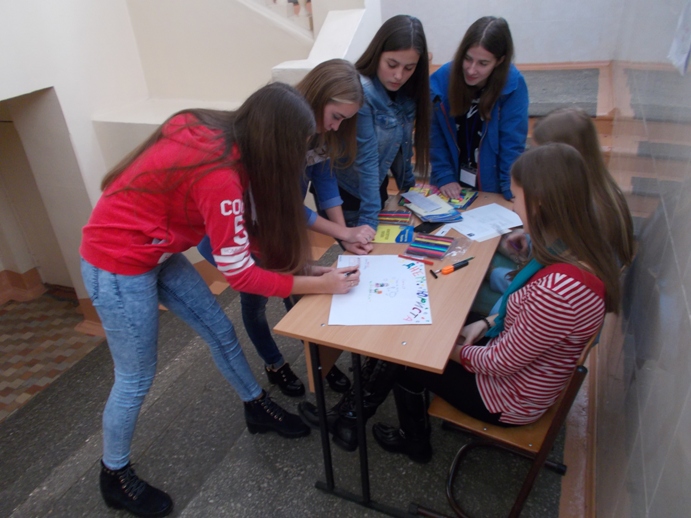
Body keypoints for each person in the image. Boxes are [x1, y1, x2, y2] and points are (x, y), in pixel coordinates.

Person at [80, 82, 362, 517]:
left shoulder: (215, 129)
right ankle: (113, 473)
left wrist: (308, 270)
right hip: (116, 261)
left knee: (220, 331)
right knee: (136, 377)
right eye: (296, 148)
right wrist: (320, 285)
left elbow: (244, 235)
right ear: (275, 141)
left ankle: (255, 406)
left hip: (158, 249)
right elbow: (242, 274)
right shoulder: (220, 176)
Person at [371, 143, 620, 463]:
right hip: (517, 366)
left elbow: (498, 363)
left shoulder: (558, 292)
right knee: (430, 325)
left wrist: (442, 350)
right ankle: (361, 407)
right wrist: (485, 322)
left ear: (539, 204)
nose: (514, 207)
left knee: (405, 354)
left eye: (516, 198)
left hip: (508, 399)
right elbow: (525, 326)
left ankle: (413, 441)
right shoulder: (574, 248)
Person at [197, 59, 374, 398]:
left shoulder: (320, 134)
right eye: (336, 116)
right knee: (257, 298)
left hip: (277, 227)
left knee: (299, 288)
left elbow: (325, 183)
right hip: (243, 234)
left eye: (344, 120)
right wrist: (343, 234)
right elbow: (281, 204)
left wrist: (345, 236)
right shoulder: (279, 128)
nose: (336, 127)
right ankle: (274, 362)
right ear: (319, 98)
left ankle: (319, 361)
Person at [490, 107, 635, 304]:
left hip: (552, 296)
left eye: (540, 154)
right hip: (555, 288)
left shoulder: (586, 213)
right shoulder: (600, 192)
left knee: (474, 286)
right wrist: (530, 237)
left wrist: (492, 274)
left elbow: (539, 287)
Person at [334, 14, 431, 231]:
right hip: (349, 194)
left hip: (376, 188)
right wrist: (369, 220)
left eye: (409, 68)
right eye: (392, 64)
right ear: (377, 54)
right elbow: (367, 159)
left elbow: (402, 150)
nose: (398, 75)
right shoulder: (362, 91)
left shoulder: (407, 92)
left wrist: (411, 194)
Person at [430, 16, 528, 201]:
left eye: (483, 63)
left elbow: (512, 143)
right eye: (467, 59)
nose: (471, 70)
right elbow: (435, 135)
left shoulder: (513, 86)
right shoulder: (442, 80)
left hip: (492, 185)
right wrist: (444, 175)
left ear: (499, 61)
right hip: (450, 182)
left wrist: (509, 189)